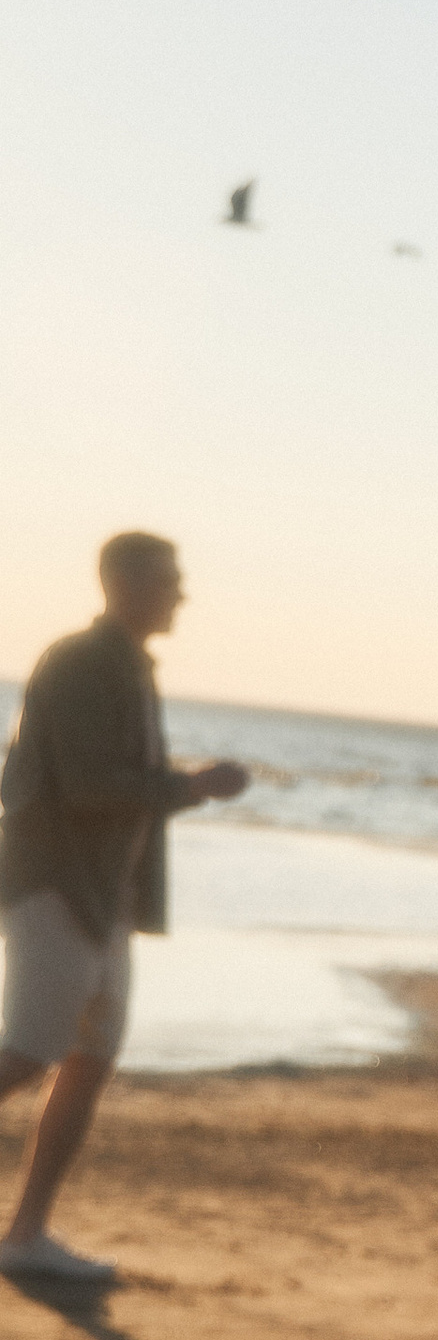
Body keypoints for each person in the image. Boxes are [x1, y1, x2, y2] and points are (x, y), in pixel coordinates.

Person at [0, 532, 249, 1283]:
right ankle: (26, 1234)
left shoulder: (133, 668)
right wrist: (191, 786)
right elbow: (84, 784)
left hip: (105, 894)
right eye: (171, 581)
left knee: (88, 1057)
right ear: (128, 584)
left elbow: (116, 783)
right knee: (32, 1050)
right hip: (53, 884)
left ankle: (26, 1234)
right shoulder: (79, 661)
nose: (181, 595)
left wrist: (183, 787)